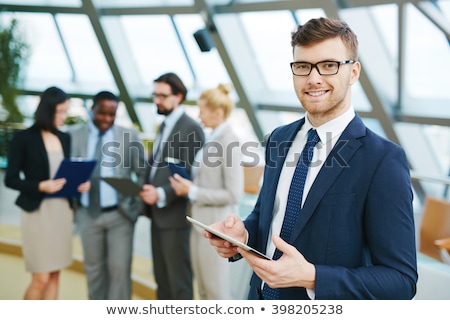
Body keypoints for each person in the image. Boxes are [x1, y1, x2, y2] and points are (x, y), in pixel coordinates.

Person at [205, 17, 418, 300]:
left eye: (329, 65)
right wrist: (243, 235)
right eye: (303, 66)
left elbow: (401, 281)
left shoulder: (383, 160)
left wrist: (313, 277)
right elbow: (268, 217)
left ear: (353, 72)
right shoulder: (279, 139)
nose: (313, 78)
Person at [4, 86, 90, 299]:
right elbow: (10, 179)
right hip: (38, 213)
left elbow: (64, 175)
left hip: (62, 212)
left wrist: (79, 185)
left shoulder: (64, 138)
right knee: (40, 278)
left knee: (54, 275)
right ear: (46, 110)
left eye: (65, 111)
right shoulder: (23, 138)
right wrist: (40, 185)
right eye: (59, 111)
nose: (63, 116)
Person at [69, 91, 146, 300]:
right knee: (94, 272)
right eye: (102, 113)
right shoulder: (73, 134)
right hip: (87, 214)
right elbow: (65, 173)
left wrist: (135, 205)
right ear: (92, 109)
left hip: (120, 216)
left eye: (112, 114)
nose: (107, 119)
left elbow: (142, 173)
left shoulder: (129, 136)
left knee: (120, 272)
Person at [169, 83, 244, 299]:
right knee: (203, 290)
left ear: (218, 112)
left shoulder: (229, 142)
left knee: (215, 292)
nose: (199, 116)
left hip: (217, 227)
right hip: (200, 223)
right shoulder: (212, 139)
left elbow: (233, 193)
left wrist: (193, 191)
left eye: (202, 111)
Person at [140, 72, 205, 299]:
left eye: (162, 95)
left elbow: (189, 175)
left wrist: (159, 193)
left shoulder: (191, 128)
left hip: (176, 218)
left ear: (178, 96)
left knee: (178, 284)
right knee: (162, 280)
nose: (156, 100)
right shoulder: (164, 124)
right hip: (157, 214)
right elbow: (158, 165)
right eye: (154, 95)